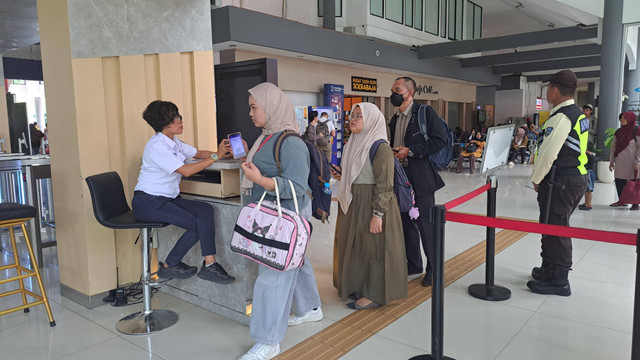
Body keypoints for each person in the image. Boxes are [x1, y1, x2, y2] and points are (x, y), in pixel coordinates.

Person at [238, 82, 322, 360]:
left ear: (271, 106)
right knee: (297, 262)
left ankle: (268, 341)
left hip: (285, 216)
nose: (250, 113)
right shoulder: (267, 136)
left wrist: (258, 179)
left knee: (272, 278)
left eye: (254, 106)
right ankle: (310, 307)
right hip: (276, 214)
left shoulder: (292, 142)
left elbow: (296, 187)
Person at [132, 100, 235, 284]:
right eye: (177, 118)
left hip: (166, 200)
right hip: (148, 203)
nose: (181, 121)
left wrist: (223, 153)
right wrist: (215, 156)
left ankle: (209, 265)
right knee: (196, 224)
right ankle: (168, 266)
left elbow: (197, 153)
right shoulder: (157, 146)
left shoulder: (174, 142)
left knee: (205, 210)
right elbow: (186, 171)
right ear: (165, 123)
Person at [331, 102, 407, 310]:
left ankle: (373, 293)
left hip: (372, 203)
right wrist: (343, 175)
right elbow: (356, 173)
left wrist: (377, 214)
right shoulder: (352, 143)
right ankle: (356, 285)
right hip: (353, 202)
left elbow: (385, 184)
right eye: (352, 115)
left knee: (374, 249)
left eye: (358, 116)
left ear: (371, 120)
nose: (352, 120)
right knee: (356, 247)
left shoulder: (380, 147)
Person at [528, 70, 588, 297]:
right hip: (572, 177)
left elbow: (548, 153)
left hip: (562, 180)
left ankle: (560, 280)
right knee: (550, 223)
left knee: (557, 227)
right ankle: (549, 269)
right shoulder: (576, 113)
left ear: (554, 90)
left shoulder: (562, 116)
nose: (547, 93)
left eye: (547, 89)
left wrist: (536, 178)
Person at [388, 76, 447, 287]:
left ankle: (434, 268)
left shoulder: (424, 113)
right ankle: (413, 264)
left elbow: (440, 139)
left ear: (409, 93)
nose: (393, 93)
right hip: (401, 179)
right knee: (406, 224)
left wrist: (411, 151)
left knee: (426, 225)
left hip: (421, 179)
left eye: (397, 89)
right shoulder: (395, 118)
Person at [608, 111, 640, 210]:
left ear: (630, 119)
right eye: (621, 118)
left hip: (633, 162)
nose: (622, 120)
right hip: (620, 161)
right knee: (619, 180)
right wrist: (611, 161)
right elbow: (614, 147)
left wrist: (637, 161)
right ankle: (622, 200)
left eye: (624, 118)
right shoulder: (619, 132)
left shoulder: (636, 131)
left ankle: (636, 203)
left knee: (635, 181)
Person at [579, 104, 597, 211]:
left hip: (590, 146)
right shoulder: (581, 119)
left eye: (587, 110)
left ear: (590, 111)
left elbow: (596, 132)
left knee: (589, 182)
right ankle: (586, 203)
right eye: (584, 109)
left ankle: (588, 204)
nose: (585, 112)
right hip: (584, 148)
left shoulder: (594, 120)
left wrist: (587, 130)